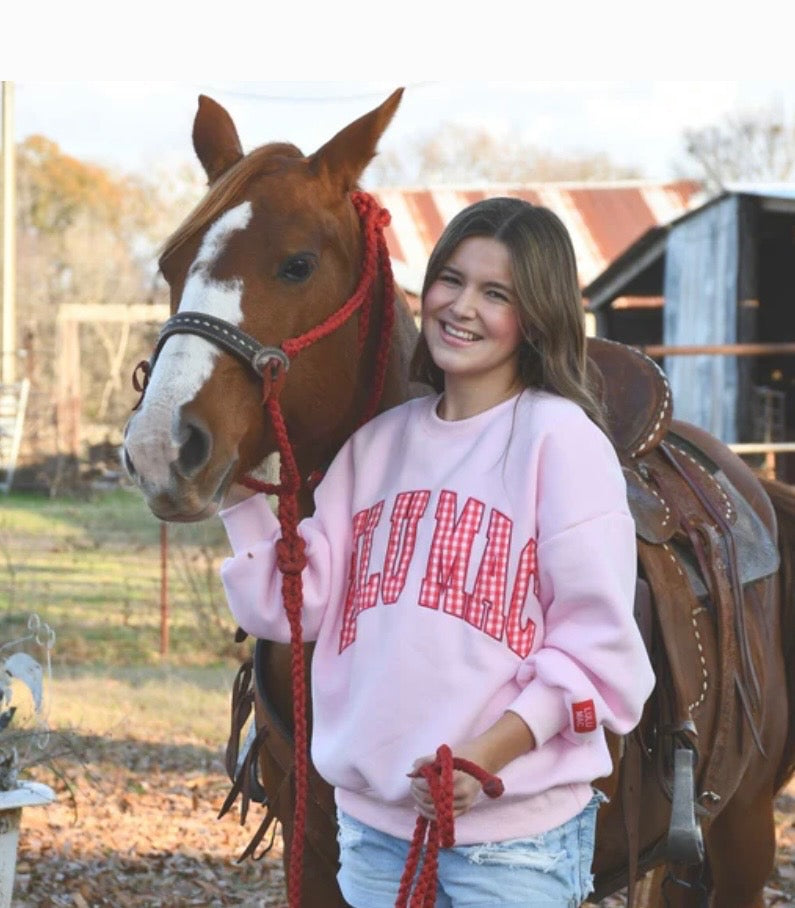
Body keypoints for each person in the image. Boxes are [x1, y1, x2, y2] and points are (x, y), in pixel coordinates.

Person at [219, 197, 655, 907]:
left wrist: (488, 756)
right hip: (371, 834)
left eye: (496, 293)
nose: (461, 307)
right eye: (451, 279)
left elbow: (595, 650)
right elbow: (297, 608)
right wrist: (234, 496)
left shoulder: (559, 441)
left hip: (511, 843)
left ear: (535, 316)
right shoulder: (377, 446)